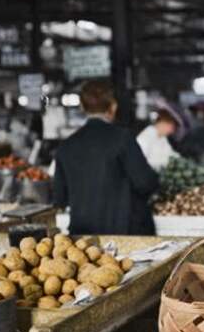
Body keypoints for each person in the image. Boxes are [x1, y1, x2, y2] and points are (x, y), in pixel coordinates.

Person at [54, 80, 158, 235]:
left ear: (82, 107)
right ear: (113, 106)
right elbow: (145, 183)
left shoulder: (65, 147)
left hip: (84, 239)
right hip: (125, 234)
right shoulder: (123, 139)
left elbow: (60, 199)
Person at [136, 108, 181, 172]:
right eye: (171, 127)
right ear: (163, 123)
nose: (172, 131)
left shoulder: (162, 138)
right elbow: (140, 161)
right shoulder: (145, 137)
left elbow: (170, 154)